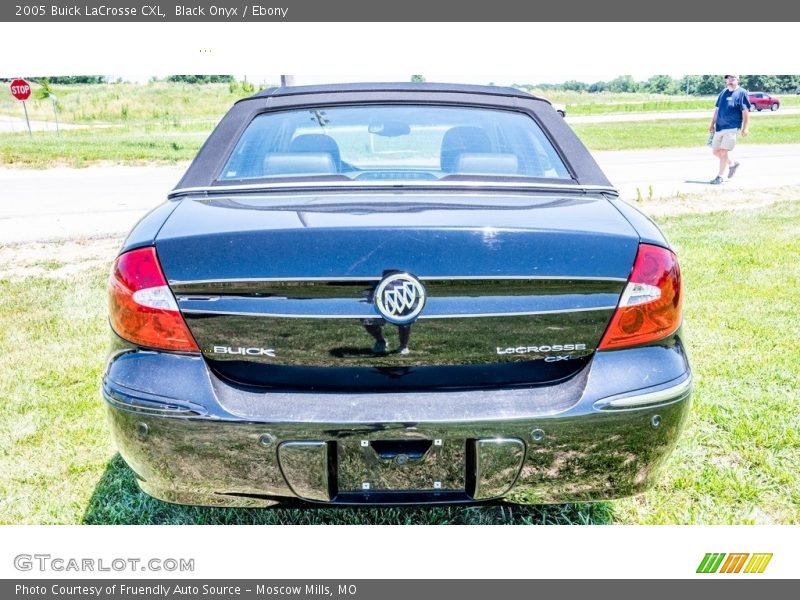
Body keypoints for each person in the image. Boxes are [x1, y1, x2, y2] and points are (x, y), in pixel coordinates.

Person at [708, 75, 751, 185]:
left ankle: (720, 177)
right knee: (715, 151)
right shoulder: (723, 92)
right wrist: (712, 124)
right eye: (728, 78)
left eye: (733, 78)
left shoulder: (742, 92)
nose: (730, 81)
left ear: (737, 80)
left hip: (732, 127)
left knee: (723, 151)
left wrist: (745, 127)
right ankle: (732, 164)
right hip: (719, 127)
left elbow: (745, 112)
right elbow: (717, 110)